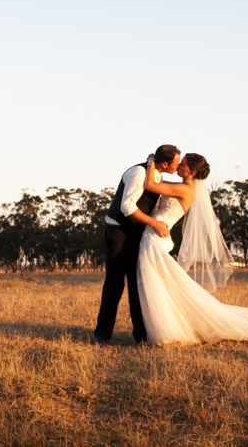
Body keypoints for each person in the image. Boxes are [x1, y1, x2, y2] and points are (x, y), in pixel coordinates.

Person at [135, 153, 248, 346]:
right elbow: (156, 182)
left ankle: (166, 331)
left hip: (154, 240)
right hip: (153, 237)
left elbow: (150, 185)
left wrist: (152, 162)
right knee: (161, 285)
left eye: (183, 164)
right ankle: (163, 327)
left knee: (160, 285)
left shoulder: (185, 188)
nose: (178, 165)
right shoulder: (182, 186)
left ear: (191, 172)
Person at [93, 144, 182, 345]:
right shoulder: (139, 173)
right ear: (165, 163)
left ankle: (140, 335)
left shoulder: (155, 174)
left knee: (138, 284)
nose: (177, 167)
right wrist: (155, 224)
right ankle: (102, 335)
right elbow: (127, 207)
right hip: (119, 232)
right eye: (176, 163)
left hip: (137, 234)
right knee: (114, 284)